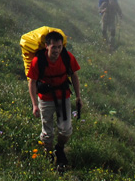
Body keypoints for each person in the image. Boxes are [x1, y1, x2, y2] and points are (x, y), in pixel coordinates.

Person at [27, 31, 82, 170]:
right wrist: (34, 104)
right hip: (45, 99)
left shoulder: (66, 57)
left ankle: (59, 148)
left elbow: (74, 76)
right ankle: (49, 153)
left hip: (63, 97)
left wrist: (78, 96)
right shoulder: (38, 61)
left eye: (59, 47)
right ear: (46, 46)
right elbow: (32, 82)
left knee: (66, 131)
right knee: (47, 132)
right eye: (54, 47)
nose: (57, 50)